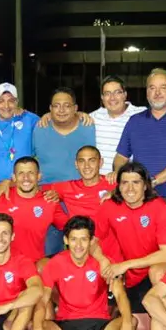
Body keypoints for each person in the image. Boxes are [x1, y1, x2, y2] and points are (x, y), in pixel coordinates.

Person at [27, 216, 136, 330]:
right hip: (67, 325)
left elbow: (121, 295)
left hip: (100, 325)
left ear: (91, 240)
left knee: (132, 321)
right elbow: (42, 300)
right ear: (66, 240)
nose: (78, 245)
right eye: (73, 239)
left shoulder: (104, 264)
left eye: (84, 239)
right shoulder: (56, 263)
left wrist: (127, 325)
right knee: (35, 325)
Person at [114, 69, 166, 261]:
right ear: (146, 92)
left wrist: (151, 181)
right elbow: (120, 157)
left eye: (163, 87)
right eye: (152, 88)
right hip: (145, 205)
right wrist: (122, 178)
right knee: (148, 261)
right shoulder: (135, 122)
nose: (157, 92)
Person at [93, 161, 166, 330]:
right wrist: (102, 260)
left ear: (145, 185)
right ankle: (119, 308)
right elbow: (94, 241)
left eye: (136, 182)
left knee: (158, 272)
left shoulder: (159, 206)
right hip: (131, 276)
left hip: (155, 269)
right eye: (125, 183)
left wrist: (125, 264)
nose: (130, 188)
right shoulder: (109, 207)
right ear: (118, 186)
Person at [33, 89, 97, 256]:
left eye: (66, 106)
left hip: (81, 198)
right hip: (48, 197)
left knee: (86, 251)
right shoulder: (39, 128)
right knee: (49, 251)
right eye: (57, 106)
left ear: (75, 108)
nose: (61, 110)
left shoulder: (89, 126)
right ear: (50, 109)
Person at [0, 156, 59, 271]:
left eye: (31, 173)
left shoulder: (50, 201)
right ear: (14, 177)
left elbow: (72, 228)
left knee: (46, 270)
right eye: (21, 173)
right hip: (1, 265)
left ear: (39, 176)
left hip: (32, 267)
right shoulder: (1, 198)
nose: (26, 178)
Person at [50, 145, 111, 233]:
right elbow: (37, 190)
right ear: (76, 164)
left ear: (100, 162)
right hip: (80, 243)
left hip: (109, 244)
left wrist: (115, 192)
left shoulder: (113, 184)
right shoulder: (67, 187)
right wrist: (64, 223)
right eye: (82, 161)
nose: (87, 166)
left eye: (92, 160)